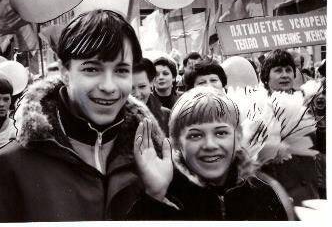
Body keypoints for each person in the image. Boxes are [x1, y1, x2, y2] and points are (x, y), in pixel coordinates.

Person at [0, 10, 166, 222]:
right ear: (65, 72)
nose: (109, 86)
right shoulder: (5, 168)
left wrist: (156, 197)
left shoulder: (155, 156)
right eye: (92, 69)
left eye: (121, 70)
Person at [128, 87, 291, 220]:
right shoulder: (167, 197)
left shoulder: (262, 194)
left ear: (238, 137)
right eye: (195, 135)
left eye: (221, 133)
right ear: (177, 143)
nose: (210, 145)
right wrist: (153, 198)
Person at [260, 49, 321, 206]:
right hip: (280, 193)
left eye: (288, 70)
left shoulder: (307, 101)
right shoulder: (258, 107)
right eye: (278, 70)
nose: (285, 74)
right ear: (266, 76)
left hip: (311, 189)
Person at [132, 58, 171, 135]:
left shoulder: (166, 116)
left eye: (142, 86)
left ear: (151, 83)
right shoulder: (113, 118)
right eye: (131, 88)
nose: (137, 94)